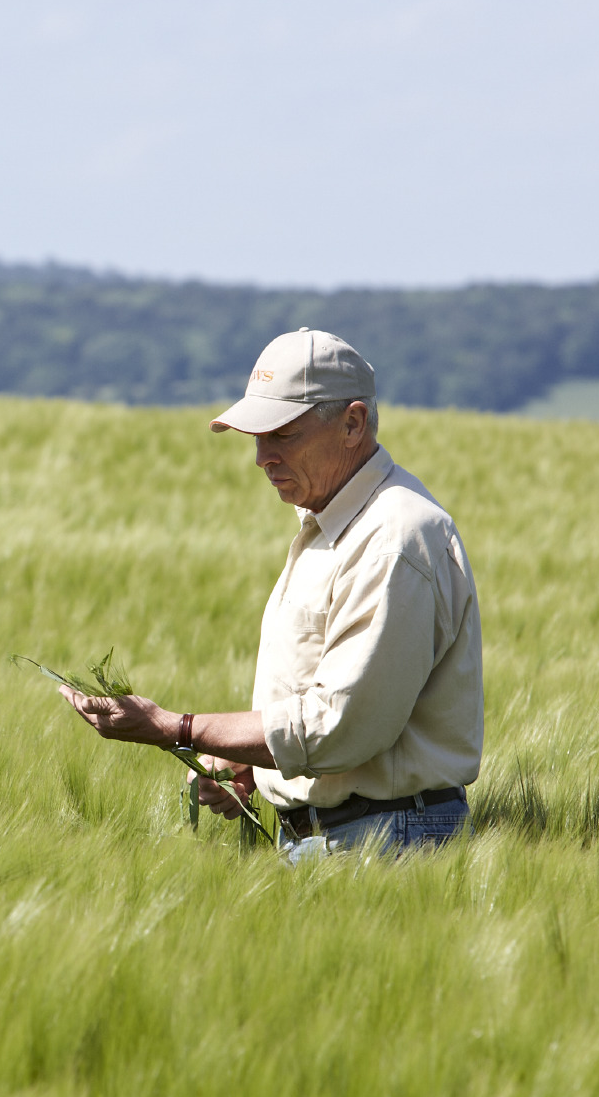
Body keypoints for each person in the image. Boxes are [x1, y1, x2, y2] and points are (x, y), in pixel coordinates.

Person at [61, 328, 483, 858]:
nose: (262, 457)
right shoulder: (333, 525)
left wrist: (178, 729)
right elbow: (328, 708)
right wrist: (251, 763)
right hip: (349, 837)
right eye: (257, 438)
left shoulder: (393, 538)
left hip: (383, 844)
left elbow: (339, 726)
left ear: (352, 423)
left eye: (282, 434)